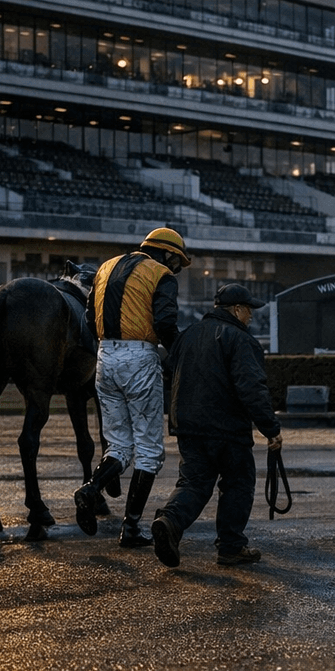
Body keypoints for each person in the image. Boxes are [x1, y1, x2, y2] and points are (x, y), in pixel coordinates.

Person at [73, 226, 191, 545]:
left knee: (120, 446)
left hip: (104, 357)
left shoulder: (106, 267)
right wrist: (181, 355)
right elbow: (165, 323)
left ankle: (91, 488)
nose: (175, 268)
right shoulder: (160, 273)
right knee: (150, 451)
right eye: (176, 261)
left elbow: (87, 320)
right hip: (139, 358)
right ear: (166, 253)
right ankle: (131, 528)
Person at [151, 283, 283, 568]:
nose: (250, 316)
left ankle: (169, 521)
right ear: (236, 310)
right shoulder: (241, 340)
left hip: (187, 425)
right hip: (227, 428)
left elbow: (169, 374)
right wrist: (270, 429)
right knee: (238, 483)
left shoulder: (187, 337)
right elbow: (251, 388)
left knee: (194, 483)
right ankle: (231, 547)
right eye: (248, 310)